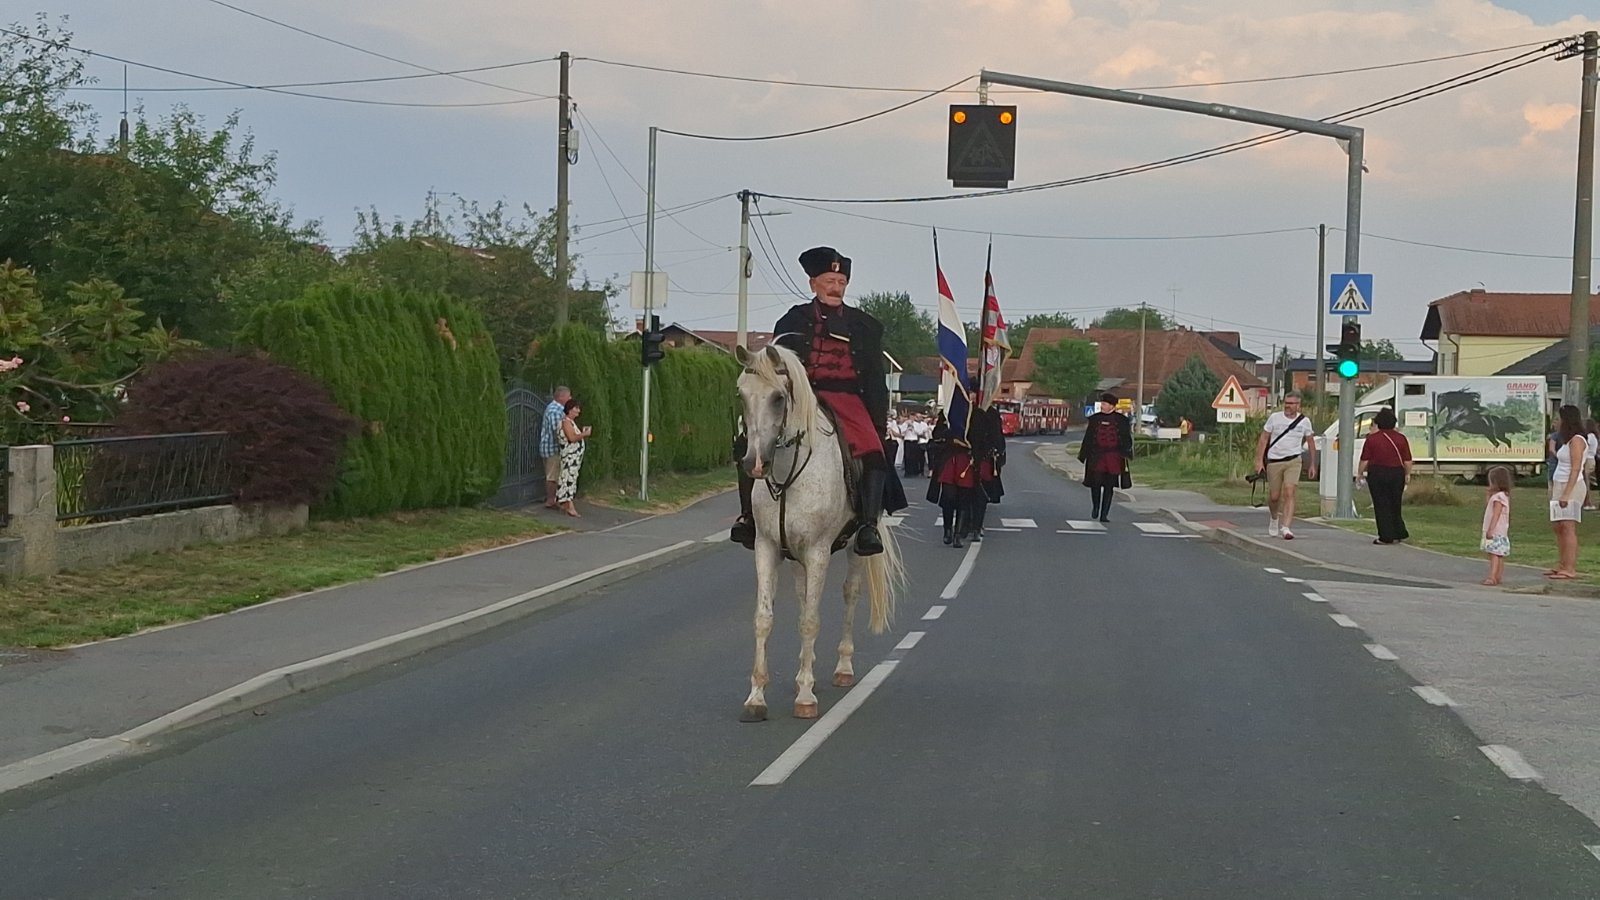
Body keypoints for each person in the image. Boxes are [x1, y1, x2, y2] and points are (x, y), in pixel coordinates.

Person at [728, 246, 906, 555]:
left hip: (848, 399)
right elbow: (775, 368)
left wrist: (878, 424)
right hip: (802, 397)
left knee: (874, 452)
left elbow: (876, 381)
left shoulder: (865, 326)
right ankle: (749, 517)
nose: (836, 288)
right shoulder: (792, 321)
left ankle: (867, 526)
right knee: (750, 443)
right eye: (829, 281)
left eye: (841, 282)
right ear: (814, 284)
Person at [1255, 392, 1318, 540]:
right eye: (1286, 403)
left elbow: (1310, 442)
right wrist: (1258, 461)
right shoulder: (1274, 418)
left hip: (1294, 460)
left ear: (1298, 405)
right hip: (1275, 461)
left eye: (1291, 403)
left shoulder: (1304, 422)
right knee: (1274, 496)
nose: (1288, 406)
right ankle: (1274, 517)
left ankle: (1286, 527)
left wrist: (1313, 464)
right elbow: (1264, 438)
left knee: (1290, 491)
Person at [1357, 407, 1412, 545]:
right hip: (1397, 473)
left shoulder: (1372, 439)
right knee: (1395, 503)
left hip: (1378, 472)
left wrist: (1360, 473)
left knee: (1381, 504)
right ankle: (1398, 532)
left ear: (1379, 423)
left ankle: (1385, 535)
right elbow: (1407, 460)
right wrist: (1407, 473)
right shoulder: (1401, 438)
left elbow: (1365, 459)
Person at [1078, 392, 1132, 523]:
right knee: (1095, 484)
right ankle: (1096, 507)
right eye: (1102, 403)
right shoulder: (1095, 419)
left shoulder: (1122, 420)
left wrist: (1126, 453)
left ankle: (1104, 514)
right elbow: (1088, 438)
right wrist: (1083, 455)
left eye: (1104, 404)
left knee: (1109, 486)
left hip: (1114, 457)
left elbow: (1127, 439)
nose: (1102, 406)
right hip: (1097, 456)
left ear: (1112, 406)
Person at [1547, 404, 1587, 580]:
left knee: (1568, 526)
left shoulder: (1577, 440)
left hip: (1572, 486)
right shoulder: (1566, 441)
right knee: (1558, 526)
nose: (1556, 422)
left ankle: (1570, 567)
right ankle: (1561, 563)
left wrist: (1566, 493)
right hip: (1559, 483)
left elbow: (1576, 468)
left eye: (1559, 418)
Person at [927, 411, 973, 547]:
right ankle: (947, 530)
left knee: (963, 500)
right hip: (948, 460)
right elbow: (937, 434)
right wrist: (951, 436)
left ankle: (957, 535)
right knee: (948, 498)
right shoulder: (946, 412)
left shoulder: (973, 412)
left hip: (965, 460)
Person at [966, 389, 1007, 542]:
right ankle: (962, 526)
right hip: (966, 458)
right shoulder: (963, 411)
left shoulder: (991, 414)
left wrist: (995, 454)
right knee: (962, 495)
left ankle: (977, 526)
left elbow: (998, 438)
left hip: (983, 459)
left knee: (981, 496)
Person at [556, 398, 590, 518]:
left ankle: (566, 503)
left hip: (574, 457)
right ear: (570, 410)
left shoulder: (570, 422)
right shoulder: (566, 422)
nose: (578, 411)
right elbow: (571, 437)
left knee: (571, 478)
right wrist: (583, 434)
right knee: (568, 478)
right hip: (569, 457)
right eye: (576, 408)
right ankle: (568, 504)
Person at [540, 385, 572, 509]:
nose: (570, 399)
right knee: (552, 475)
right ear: (562, 397)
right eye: (569, 396)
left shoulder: (560, 410)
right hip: (552, 449)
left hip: (554, 448)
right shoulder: (555, 410)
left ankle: (555, 499)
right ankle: (550, 500)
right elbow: (556, 431)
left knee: (555, 474)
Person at [1481, 465, 1513, 586]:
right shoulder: (1503, 496)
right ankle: (1498, 576)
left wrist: (1491, 529)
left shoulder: (1498, 498)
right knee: (1499, 554)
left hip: (1496, 530)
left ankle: (1492, 576)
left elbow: (1496, 514)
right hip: (1501, 531)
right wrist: (1488, 495)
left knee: (1494, 554)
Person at [1584, 418, 1599, 510]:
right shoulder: (1595, 437)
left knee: (1586, 482)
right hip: (1592, 458)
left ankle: (1588, 501)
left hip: (1588, 459)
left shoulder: (1589, 436)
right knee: (1587, 481)